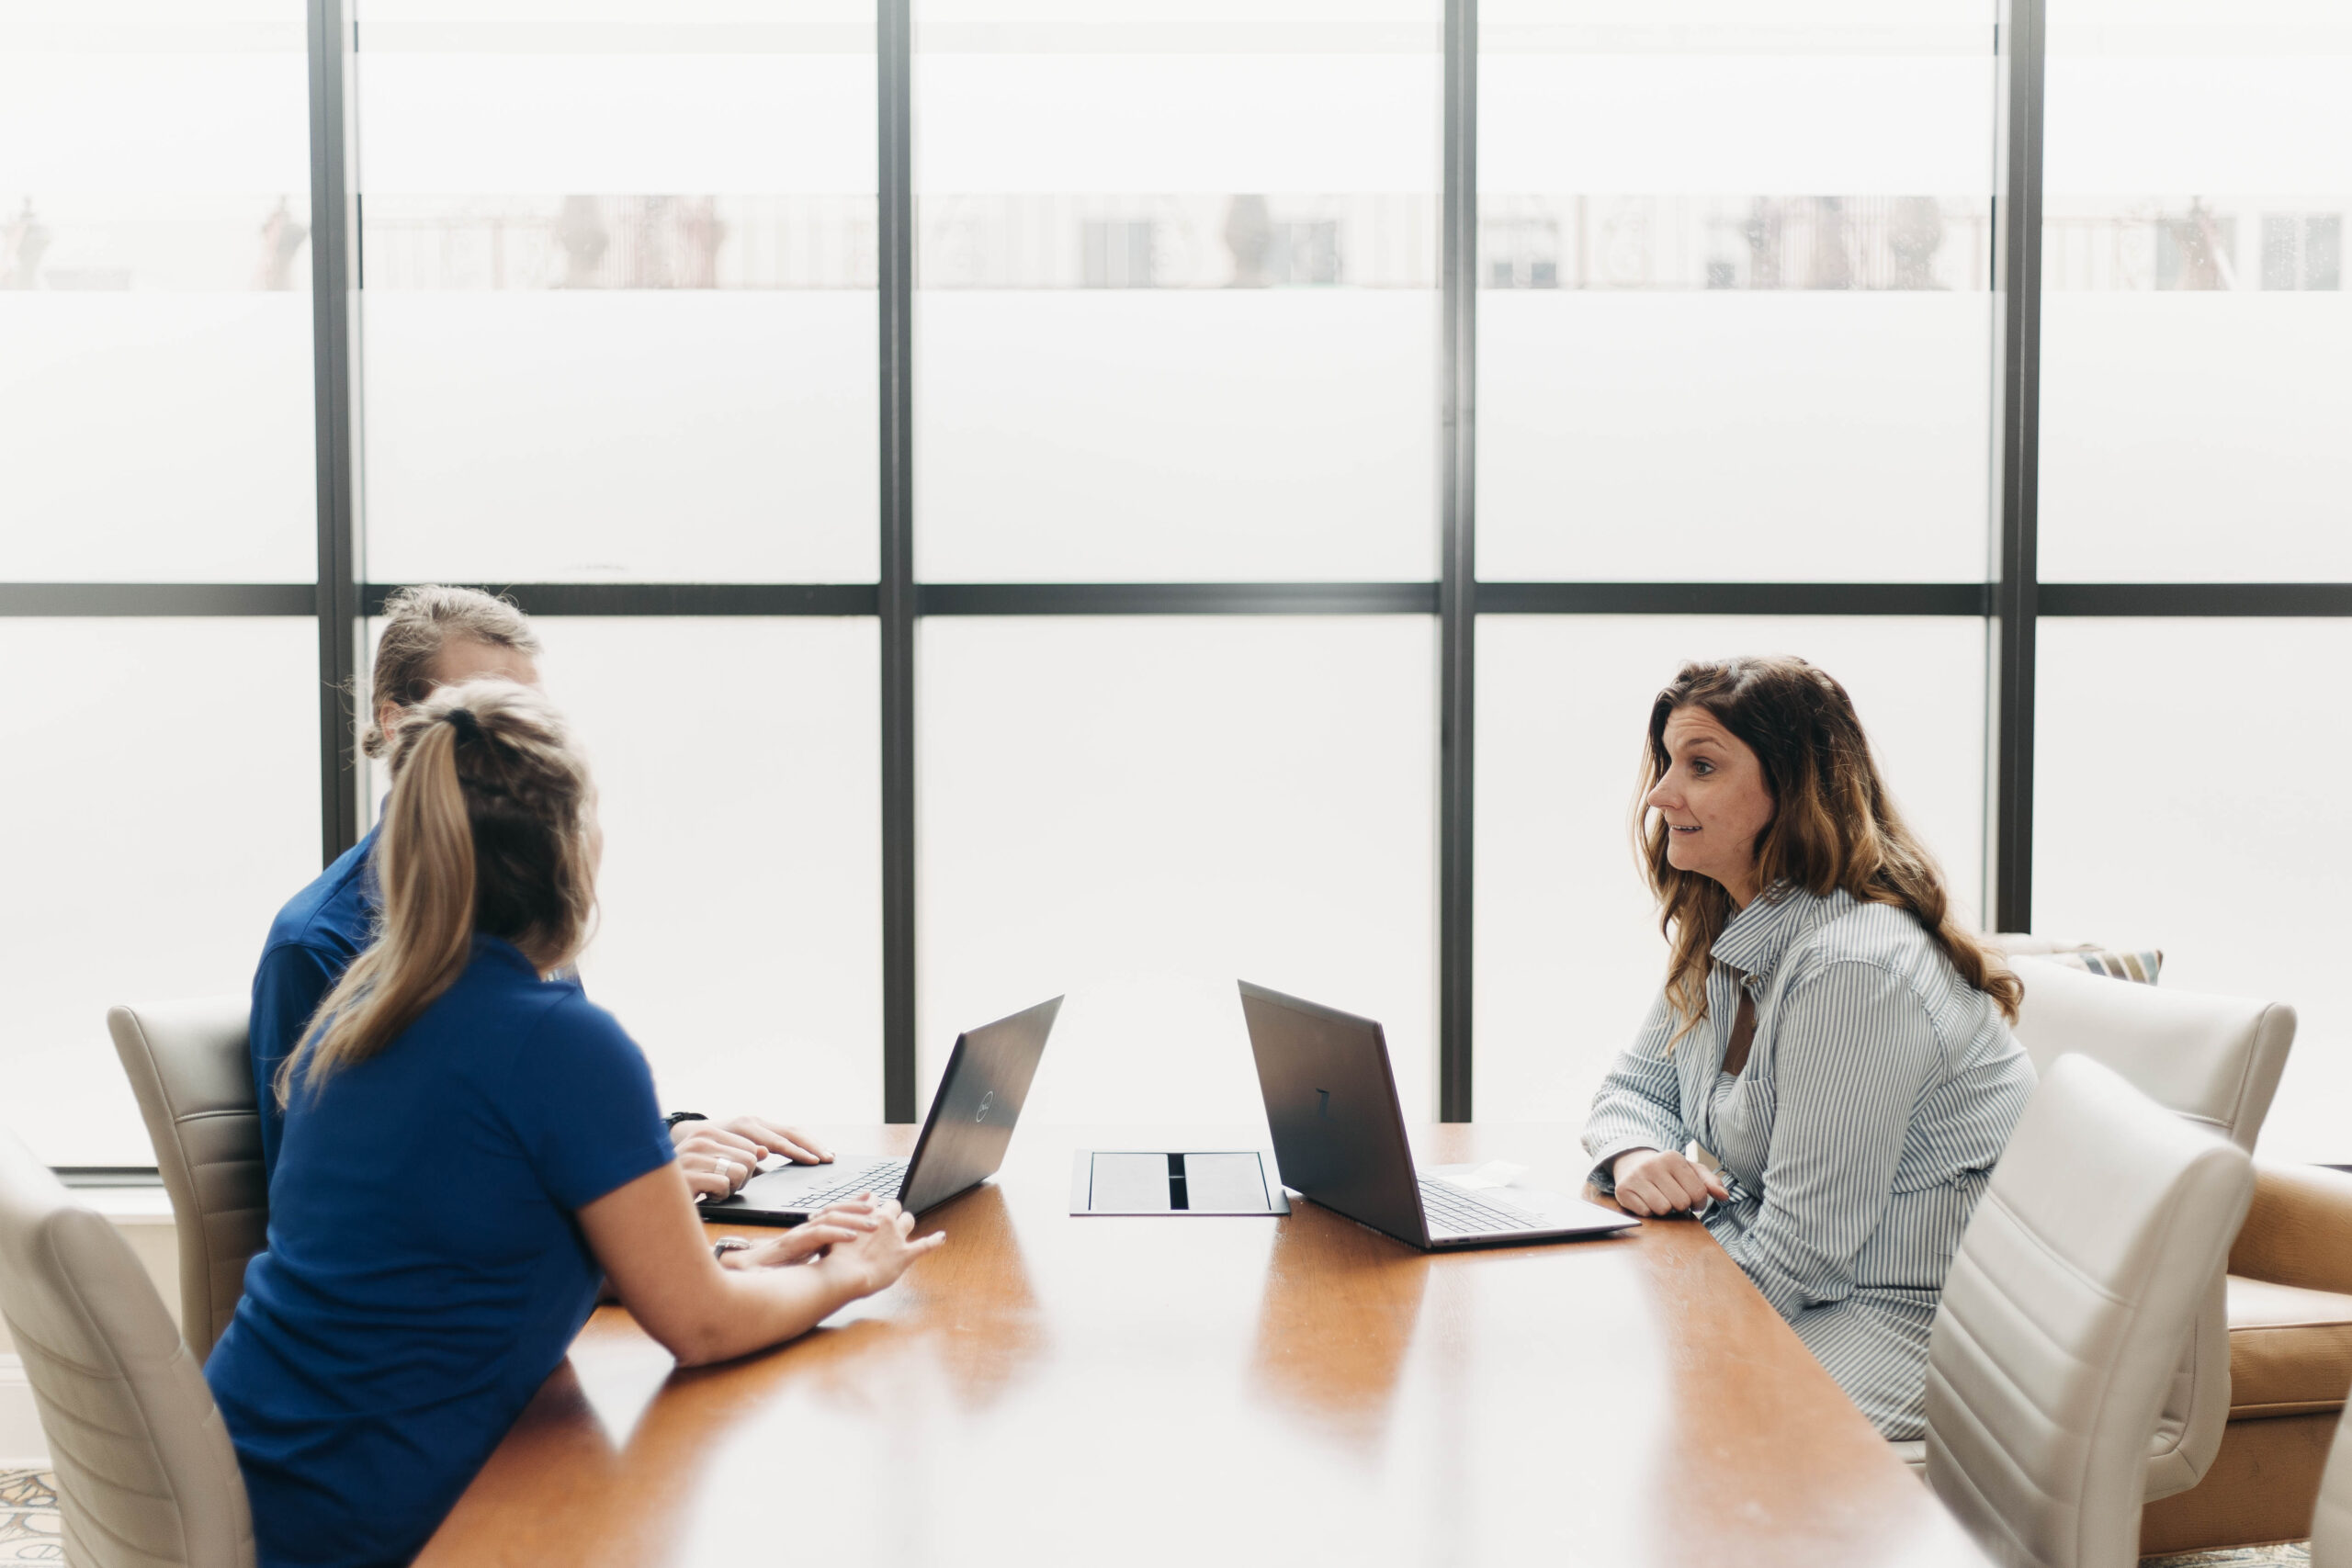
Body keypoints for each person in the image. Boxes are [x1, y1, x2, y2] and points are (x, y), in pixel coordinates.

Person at [207, 680, 943, 1568]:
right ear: (569, 852)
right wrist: (851, 1274)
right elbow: (700, 1330)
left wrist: (724, 1261)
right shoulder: (559, 1039)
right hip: (374, 1517)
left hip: (254, 1476)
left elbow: (444, 1256)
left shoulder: (360, 1008)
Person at [1581, 656, 2034, 1439]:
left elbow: (1803, 1253)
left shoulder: (1857, 970)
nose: (1660, 794)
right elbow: (1630, 1090)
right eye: (1664, 763)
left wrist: (1654, 1336)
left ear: (1791, 788)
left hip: (1907, 1320)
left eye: (1700, 765)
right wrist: (1633, 1157)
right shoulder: (1730, 929)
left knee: (1652, 1419)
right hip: (1802, 1282)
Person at [250, 583, 826, 1198]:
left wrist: (664, 1142)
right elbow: (345, 1202)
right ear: (398, 725)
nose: (523, 744)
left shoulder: (525, 893)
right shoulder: (318, 942)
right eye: (487, 712)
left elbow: (537, 1119)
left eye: (533, 718)